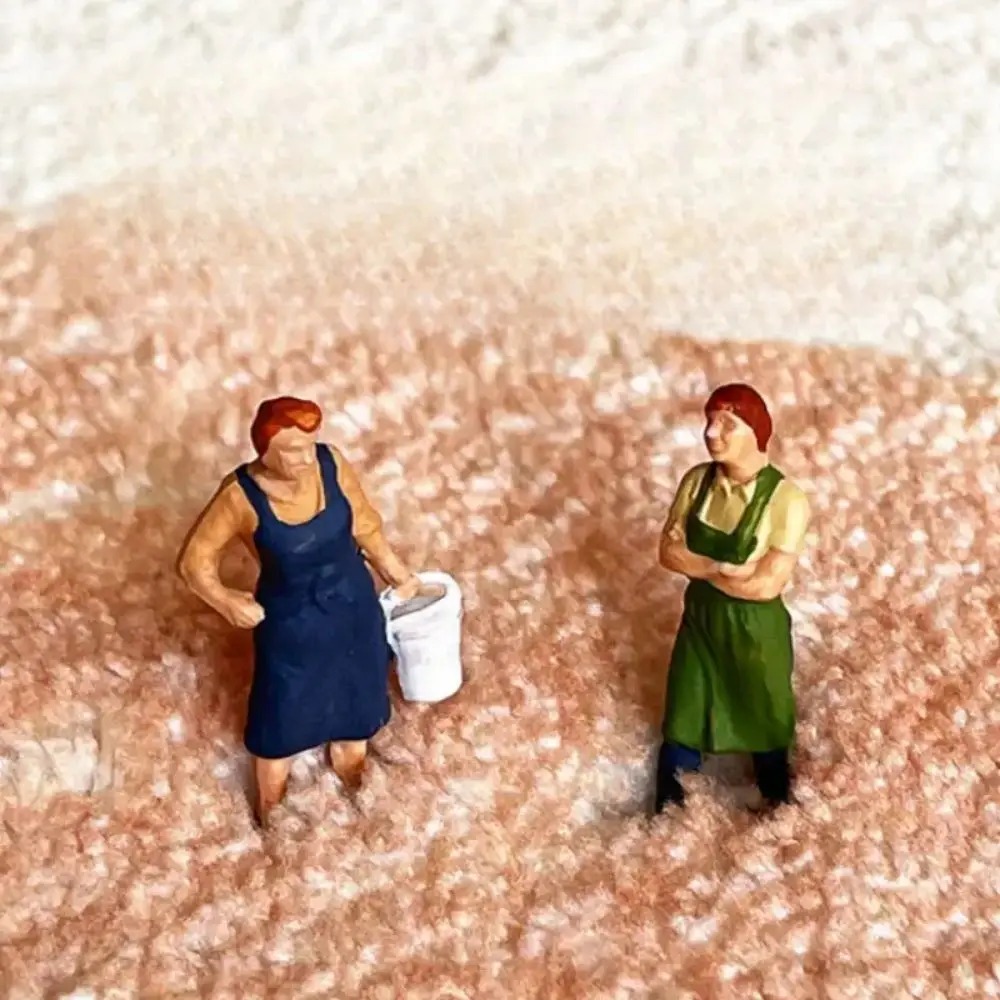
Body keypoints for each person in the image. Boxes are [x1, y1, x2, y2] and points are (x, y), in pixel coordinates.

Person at [177, 396, 429, 827]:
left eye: (310, 446)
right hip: (291, 624)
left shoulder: (331, 464)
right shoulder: (240, 496)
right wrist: (226, 600)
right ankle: (271, 807)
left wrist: (398, 573)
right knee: (282, 714)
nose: (306, 458)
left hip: (353, 609)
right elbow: (194, 562)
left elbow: (365, 526)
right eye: (293, 451)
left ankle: (353, 775)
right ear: (265, 451)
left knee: (356, 700)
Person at [654, 383, 811, 813]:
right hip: (700, 620)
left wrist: (699, 566)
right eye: (709, 421)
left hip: (755, 629)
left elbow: (766, 585)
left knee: (766, 709)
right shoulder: (696, 482)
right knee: (685, 706)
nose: (711, 433)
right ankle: (669, 804)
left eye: (727, 424)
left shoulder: (786, 500)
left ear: (756, 431)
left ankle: (777, 797)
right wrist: (719, 568)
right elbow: (668, 551)